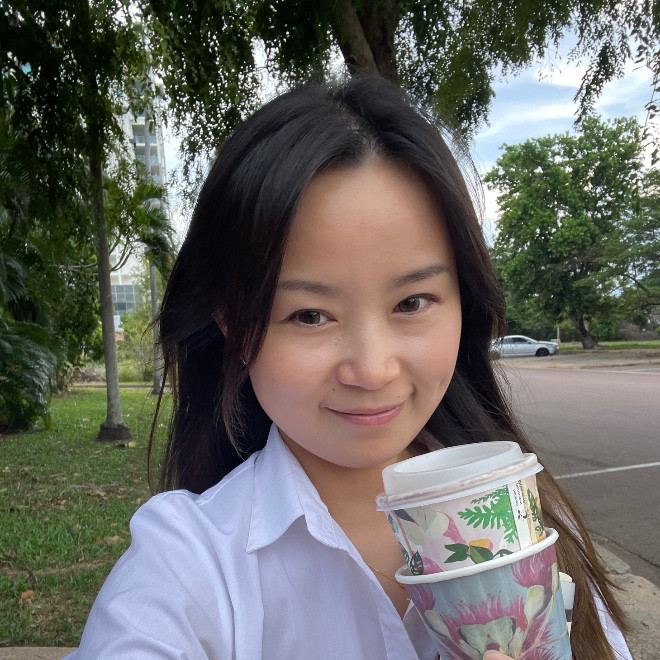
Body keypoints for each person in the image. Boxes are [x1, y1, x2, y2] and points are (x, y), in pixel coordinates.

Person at [70, 76, 631, 659]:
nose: (372, 369)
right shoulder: (187, 562)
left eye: (412, 303)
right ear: (231, 324)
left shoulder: (528, 510)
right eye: (309, 315)